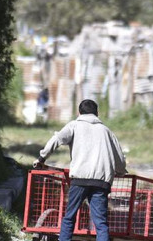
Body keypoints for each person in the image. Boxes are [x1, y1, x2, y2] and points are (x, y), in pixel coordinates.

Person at [33, 99, 127, 241]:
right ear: (97, 113)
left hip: (80, 180)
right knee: (101, 223)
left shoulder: (74, 126)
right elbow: (119, 158)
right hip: (101, 182)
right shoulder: (107, 131)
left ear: (79, 112)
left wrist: (42, 158)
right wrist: (120, 170)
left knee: (69, 217)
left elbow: (57, 139)